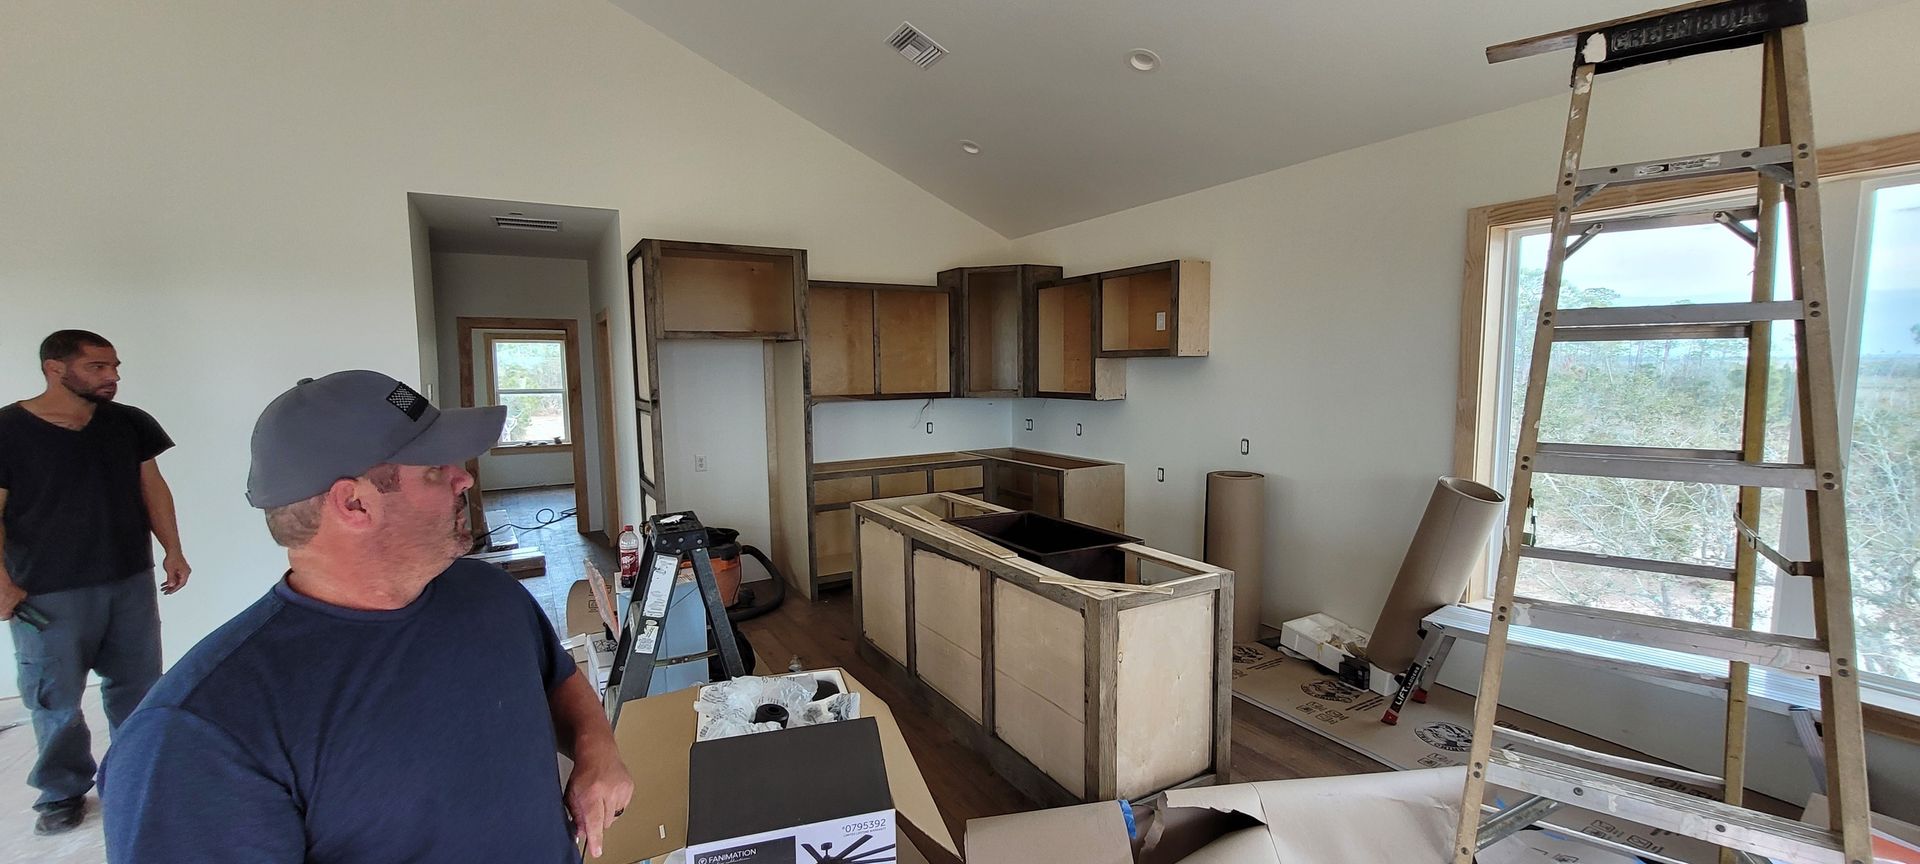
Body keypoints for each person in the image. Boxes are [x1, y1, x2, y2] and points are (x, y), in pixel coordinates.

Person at [101, 370, 632, 862]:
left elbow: (556, 679)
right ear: (353, 504)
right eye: (432, 471)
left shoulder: (489, 593)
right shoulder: (197, 736)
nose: (462, 480)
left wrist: (596, 748)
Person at [0, 329, 189, 836]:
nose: (113, 377)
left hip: (128, 577)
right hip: (46, 590)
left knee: (138, 690)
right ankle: (61, 792)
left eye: (115, 367)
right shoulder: (7, 429)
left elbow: (152, 486)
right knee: (55, 700)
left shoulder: (129, 424)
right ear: (55, 369)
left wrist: (172, 549)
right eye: (98, 368)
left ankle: (132, 776)